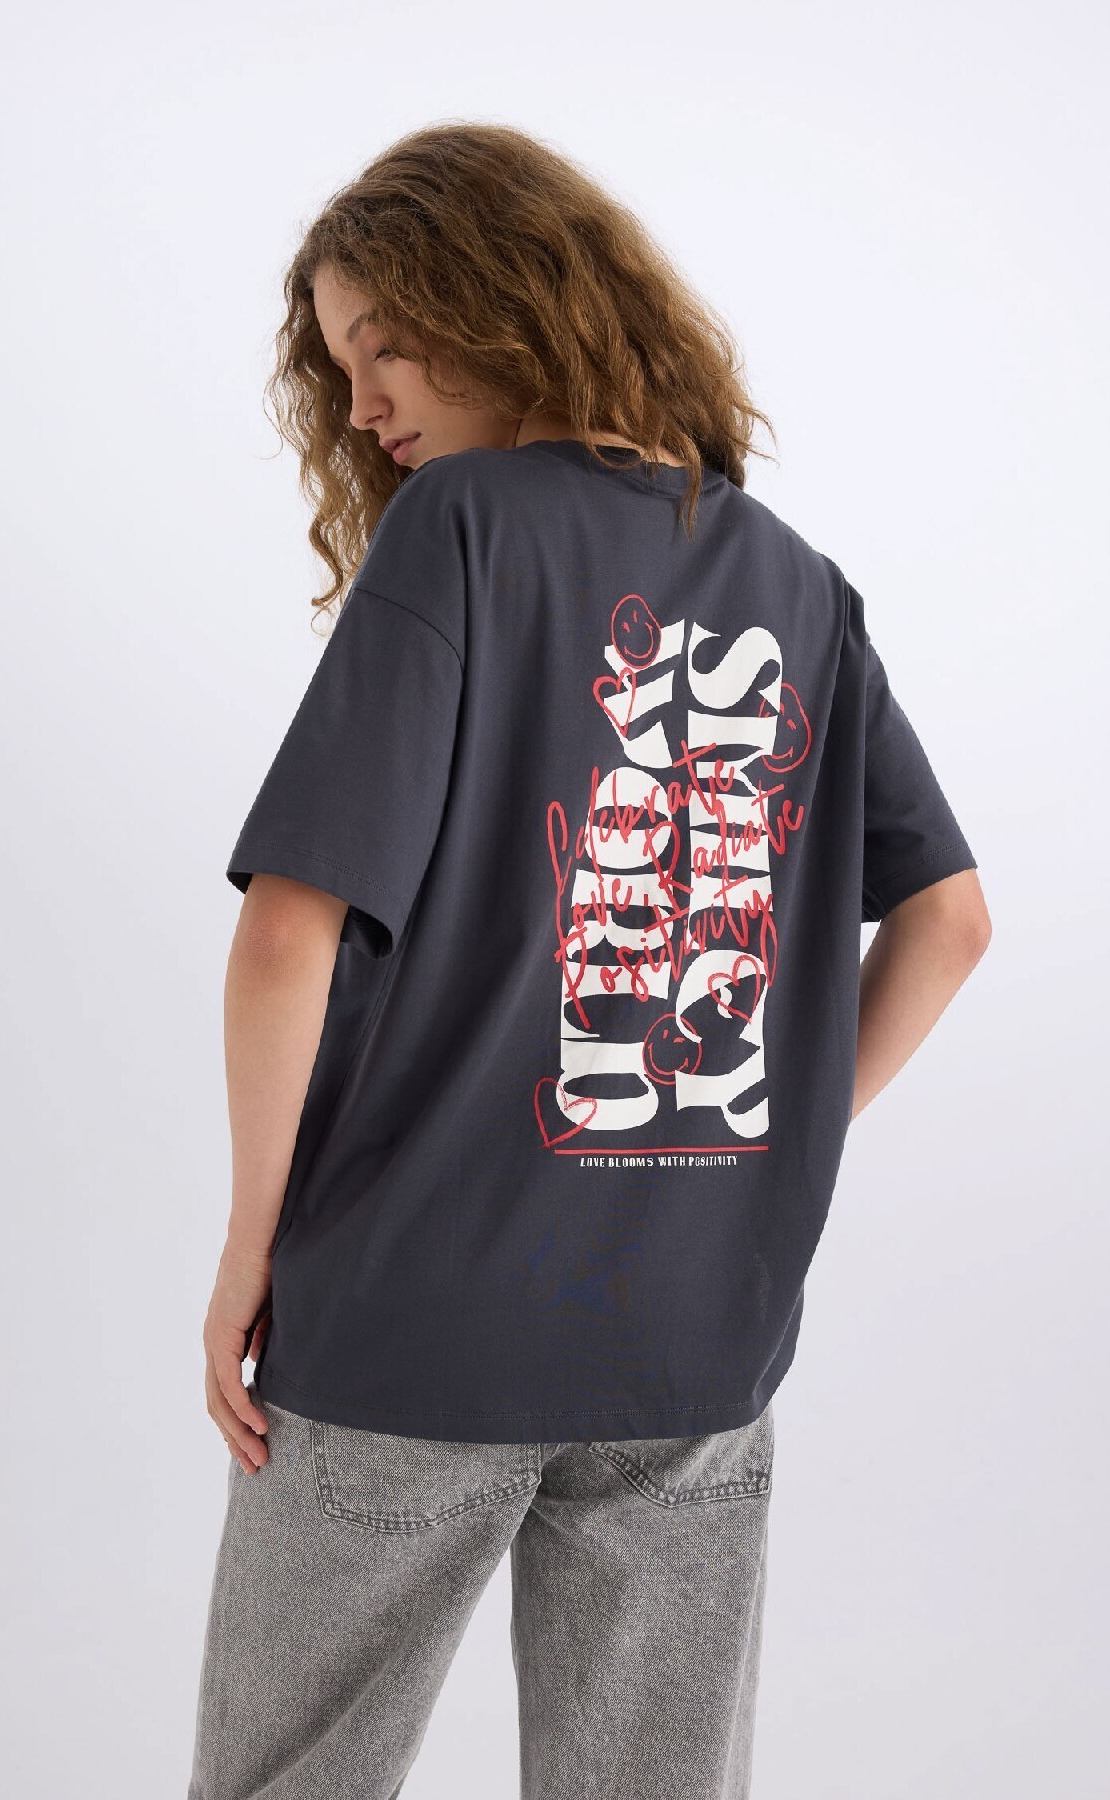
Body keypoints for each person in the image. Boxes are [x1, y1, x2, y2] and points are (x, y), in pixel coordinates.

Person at [186, 122, 992, 1799]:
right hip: (691, 1334)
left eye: (383, 345)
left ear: (499, 298)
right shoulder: (796, 579)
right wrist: (782, 1133)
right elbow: (951, 919)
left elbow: (288, 930)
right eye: (339, 367)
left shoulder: (461, 530)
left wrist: (248, 1252)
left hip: (408, 1312)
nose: (361, 405)